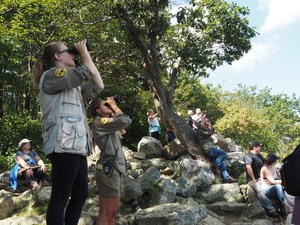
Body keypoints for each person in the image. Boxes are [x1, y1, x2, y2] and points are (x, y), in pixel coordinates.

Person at [32, 39, 104, 225]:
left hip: (76, 145)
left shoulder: (71, 83)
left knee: (80, 195)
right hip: (62, 143)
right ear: (57, 56)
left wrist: (84, 53)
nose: (74, 54)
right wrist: (83, 52)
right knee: (61, 196)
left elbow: (98, 85)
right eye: (69, 51)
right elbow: (81, 73)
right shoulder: (51, 76)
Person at [88, 97, 132, 225]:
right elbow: (125, 120)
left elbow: (122, 130)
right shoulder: (100, 122)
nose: (109, 105)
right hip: (109, 171)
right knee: (109, 213)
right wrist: (115, 106)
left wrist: (112, 111)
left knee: (109, 214)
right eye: (105, 105)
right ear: (98, 110)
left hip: (112, 170)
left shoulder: (107, 124)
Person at [195, 116, 235, 183]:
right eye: (204, 123)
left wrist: (207, 125)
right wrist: (209, 126)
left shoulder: (203, 130)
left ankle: (227, 178)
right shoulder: (200, 131)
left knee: (221, 163)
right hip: (208, 149)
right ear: (200, 124)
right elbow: (210, 133)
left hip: (211, 148)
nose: (206, 124)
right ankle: (215, 165)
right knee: (224, 154)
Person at [245, 141, 278, 217]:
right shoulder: (249, 156)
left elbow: (267, 163)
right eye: (259, 146)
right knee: (259, 190)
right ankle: (271, 210)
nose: (260, 148)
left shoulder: (259, 156)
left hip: (262, 178)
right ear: (255, 147)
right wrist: (253, 179)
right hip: (252, 180)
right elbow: (248, 166)